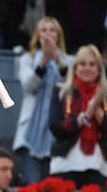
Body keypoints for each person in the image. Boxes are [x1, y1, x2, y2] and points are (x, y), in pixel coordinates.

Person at [12, 16, 72, 185]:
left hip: (58, 136)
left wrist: (58, 61)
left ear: (58, 36)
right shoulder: (26, 60)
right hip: (29, 135)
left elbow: (68, 90)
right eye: (44, 30)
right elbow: (29, 86)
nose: (48, 34)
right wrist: (44, 61)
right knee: (33, 185)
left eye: (52, 30)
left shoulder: (69, 62)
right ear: (38, 36)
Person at [48, 44, 107, 189]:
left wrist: (97, 107)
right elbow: (55, 126)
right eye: (82, 64)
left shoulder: (105, 96)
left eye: (92, 65)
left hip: (98, 166)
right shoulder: (60, 91)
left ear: (99, 70)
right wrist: (87, 114)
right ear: (75, 68)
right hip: (65, 164)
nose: (87, 68)